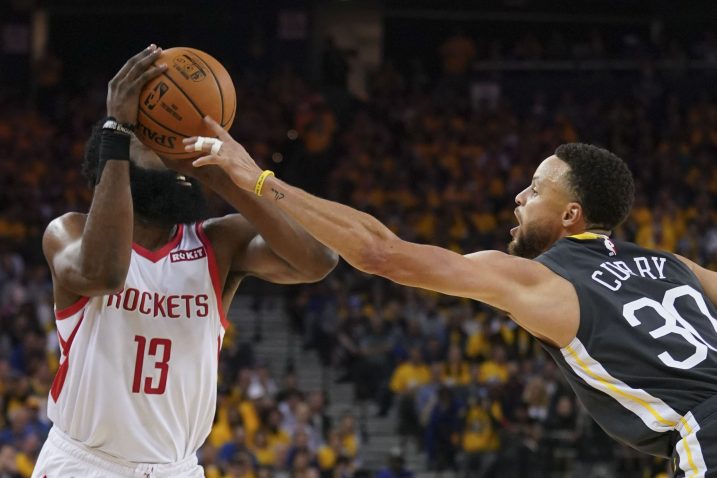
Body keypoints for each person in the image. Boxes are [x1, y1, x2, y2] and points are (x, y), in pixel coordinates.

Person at [188, 123, 717, 477]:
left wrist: (256, 179)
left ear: (571, 215)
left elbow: (380, 254)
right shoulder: (676, 267)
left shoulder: (544, 282)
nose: (520, 197)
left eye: (534, 190)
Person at [33, 45, 337, 478]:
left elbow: (318, 260)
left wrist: (224, 177)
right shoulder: (70, 232)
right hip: (86, 464)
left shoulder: (219, 242)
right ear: (115, 152)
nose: (168, 146)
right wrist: (118, 127)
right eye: (152, 136)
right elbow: (103, 273)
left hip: (179, 469)